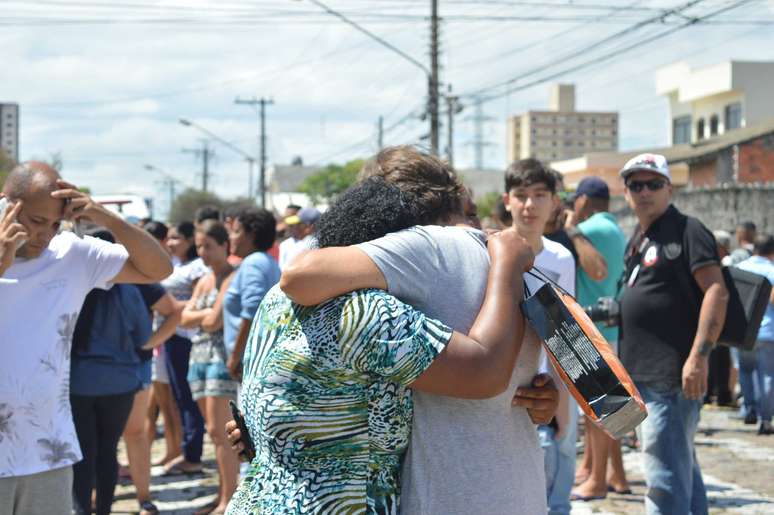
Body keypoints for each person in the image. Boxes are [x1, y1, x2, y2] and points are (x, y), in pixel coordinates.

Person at [271, 148, 560, 514]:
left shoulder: (421, 247)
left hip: (448, 493)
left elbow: (299, 276)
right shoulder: (510, 255)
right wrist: (541, 397)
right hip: (521, 488)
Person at [0, 162, 172, 515]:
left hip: (49, 452)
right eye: (35, 221)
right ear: (7, 203)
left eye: (54, 223)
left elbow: (160, 268)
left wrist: (106, 218)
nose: (44, 235)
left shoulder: (72, 254)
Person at [618, 153, 729, 515]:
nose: (644, 192)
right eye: (636, 185)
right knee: (682, 470)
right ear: (627, 193)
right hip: (646, 374)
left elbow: (716, 290)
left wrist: (699, 357)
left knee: (664, 481)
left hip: (672, 375)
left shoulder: (688, 229)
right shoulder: (640, 235)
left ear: (669, 188)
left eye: (653, 184)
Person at [500, 160, 576, 515]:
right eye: (521, 196)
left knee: (558, 491)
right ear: (507, 201)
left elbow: (565, 331)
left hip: (551, 381)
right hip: (507, 384)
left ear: (554, 203)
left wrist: (563, 399)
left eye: (539, 196)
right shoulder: (492, 251)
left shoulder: (561, 257)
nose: (530, 205)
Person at [564, 177, 630, 502]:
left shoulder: (590, 231)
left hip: (594, 329)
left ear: (584, 201)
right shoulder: (615, 228)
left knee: (599, 410)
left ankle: (597, 481)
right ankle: (610, 473)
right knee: (608, 409)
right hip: (608, 327)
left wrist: (571, 227)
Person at [181, 221, 240, 514]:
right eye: (199, 246)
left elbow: (212, 321)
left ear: (223, 245)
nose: (202, 252)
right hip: (200, 359)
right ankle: (222, 495)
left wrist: (198, 315)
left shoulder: (231, 276)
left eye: (208, 246)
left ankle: (229, 500)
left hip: (220, 360)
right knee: (213, 433)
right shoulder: (204, 279)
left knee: (221, 433)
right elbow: (185, 318)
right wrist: (201, 315)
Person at [160, 221, 209, 476]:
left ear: (190, 241)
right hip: (173, 337)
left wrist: (176, 308)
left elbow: (201, 300)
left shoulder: (197, 268)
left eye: (176, 238)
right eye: (168, 238)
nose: (170, 243)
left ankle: (193, 455)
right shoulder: (175, 265)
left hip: (188, 339)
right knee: (179, 398)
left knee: (190, 399)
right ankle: (185, 449)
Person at [222, 208, 280, 381]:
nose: (231, 237)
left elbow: (253, 312)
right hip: (262, 358)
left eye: (236, 231)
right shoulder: (268, 262)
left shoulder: (252, 263)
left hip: (250, 360)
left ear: (251, 235)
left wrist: (234, 357)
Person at [735, 234, 774, 435]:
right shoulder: (772, 270)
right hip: (767, 331)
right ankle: (765, 419)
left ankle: (748, 409)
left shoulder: (740, 268)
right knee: (766, 375)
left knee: (746, 371)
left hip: (743, 332)